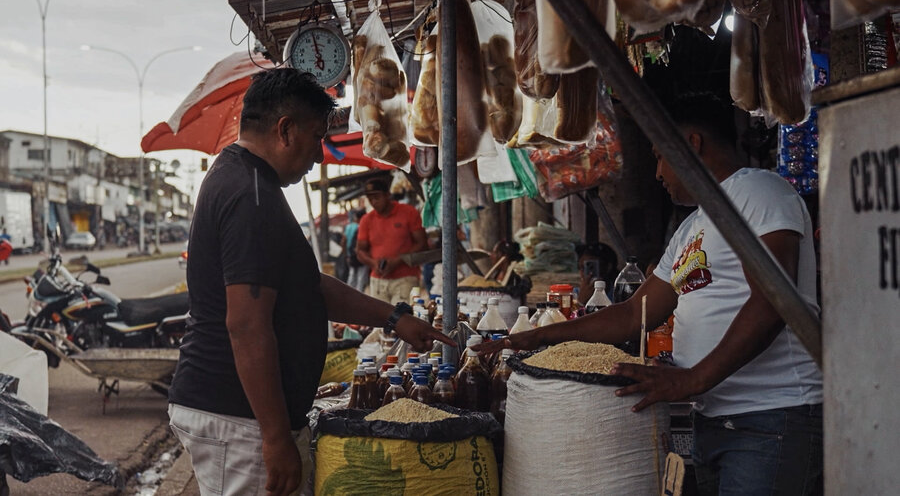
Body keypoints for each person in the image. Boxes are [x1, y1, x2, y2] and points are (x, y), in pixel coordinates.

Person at [477, 94, 823, 495]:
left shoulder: (758, 192)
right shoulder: (691, 227)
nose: (657, 172)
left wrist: (693, 378)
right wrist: (540, 336)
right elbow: (633, 314)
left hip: (771, 417)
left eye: (659, 156)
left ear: (691, 144)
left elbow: (772, 300)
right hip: (716, 417)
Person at [167, 69, 453, 496]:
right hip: (237, 416)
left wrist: (393, 318)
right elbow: (246, 325)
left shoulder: (251, 183)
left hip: (243, 415)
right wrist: (276, 437)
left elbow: (306, 285)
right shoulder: (251, 195)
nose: (320, 155)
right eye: (317, 136)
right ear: (285, 130)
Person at [356, 178, 427, 304]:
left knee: (401, 319)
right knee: (379, 320)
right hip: (378, 280)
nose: (373, 202)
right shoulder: (367, 220)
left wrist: (397, 261)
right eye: (370, 198)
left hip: (406, 278)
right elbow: (360, 250)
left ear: (387, 195)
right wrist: (373, 263)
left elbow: (421, 243)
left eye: (377, 197)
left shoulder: (408, 212)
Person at [341, 209, 368, 292]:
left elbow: (343, 241)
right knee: (361, 278)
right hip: (362, 256)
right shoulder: (362, 227)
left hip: (351, 256)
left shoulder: (349, 227)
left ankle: (348, 295)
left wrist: (346, 255)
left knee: (351, 277)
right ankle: (358, 297)